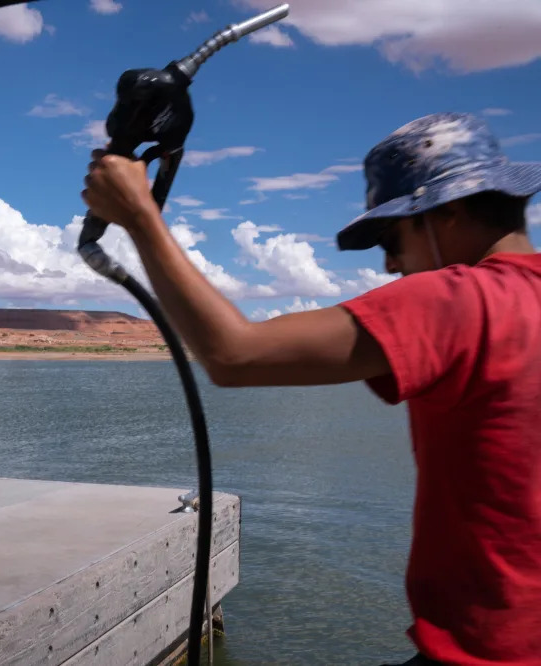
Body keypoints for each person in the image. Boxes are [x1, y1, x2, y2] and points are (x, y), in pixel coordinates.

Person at [80, 111, 541, 666]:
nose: (391, 263)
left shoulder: (458, 300)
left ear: (449, 211)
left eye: (391, 237)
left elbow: (235, 356)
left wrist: (139, 215)